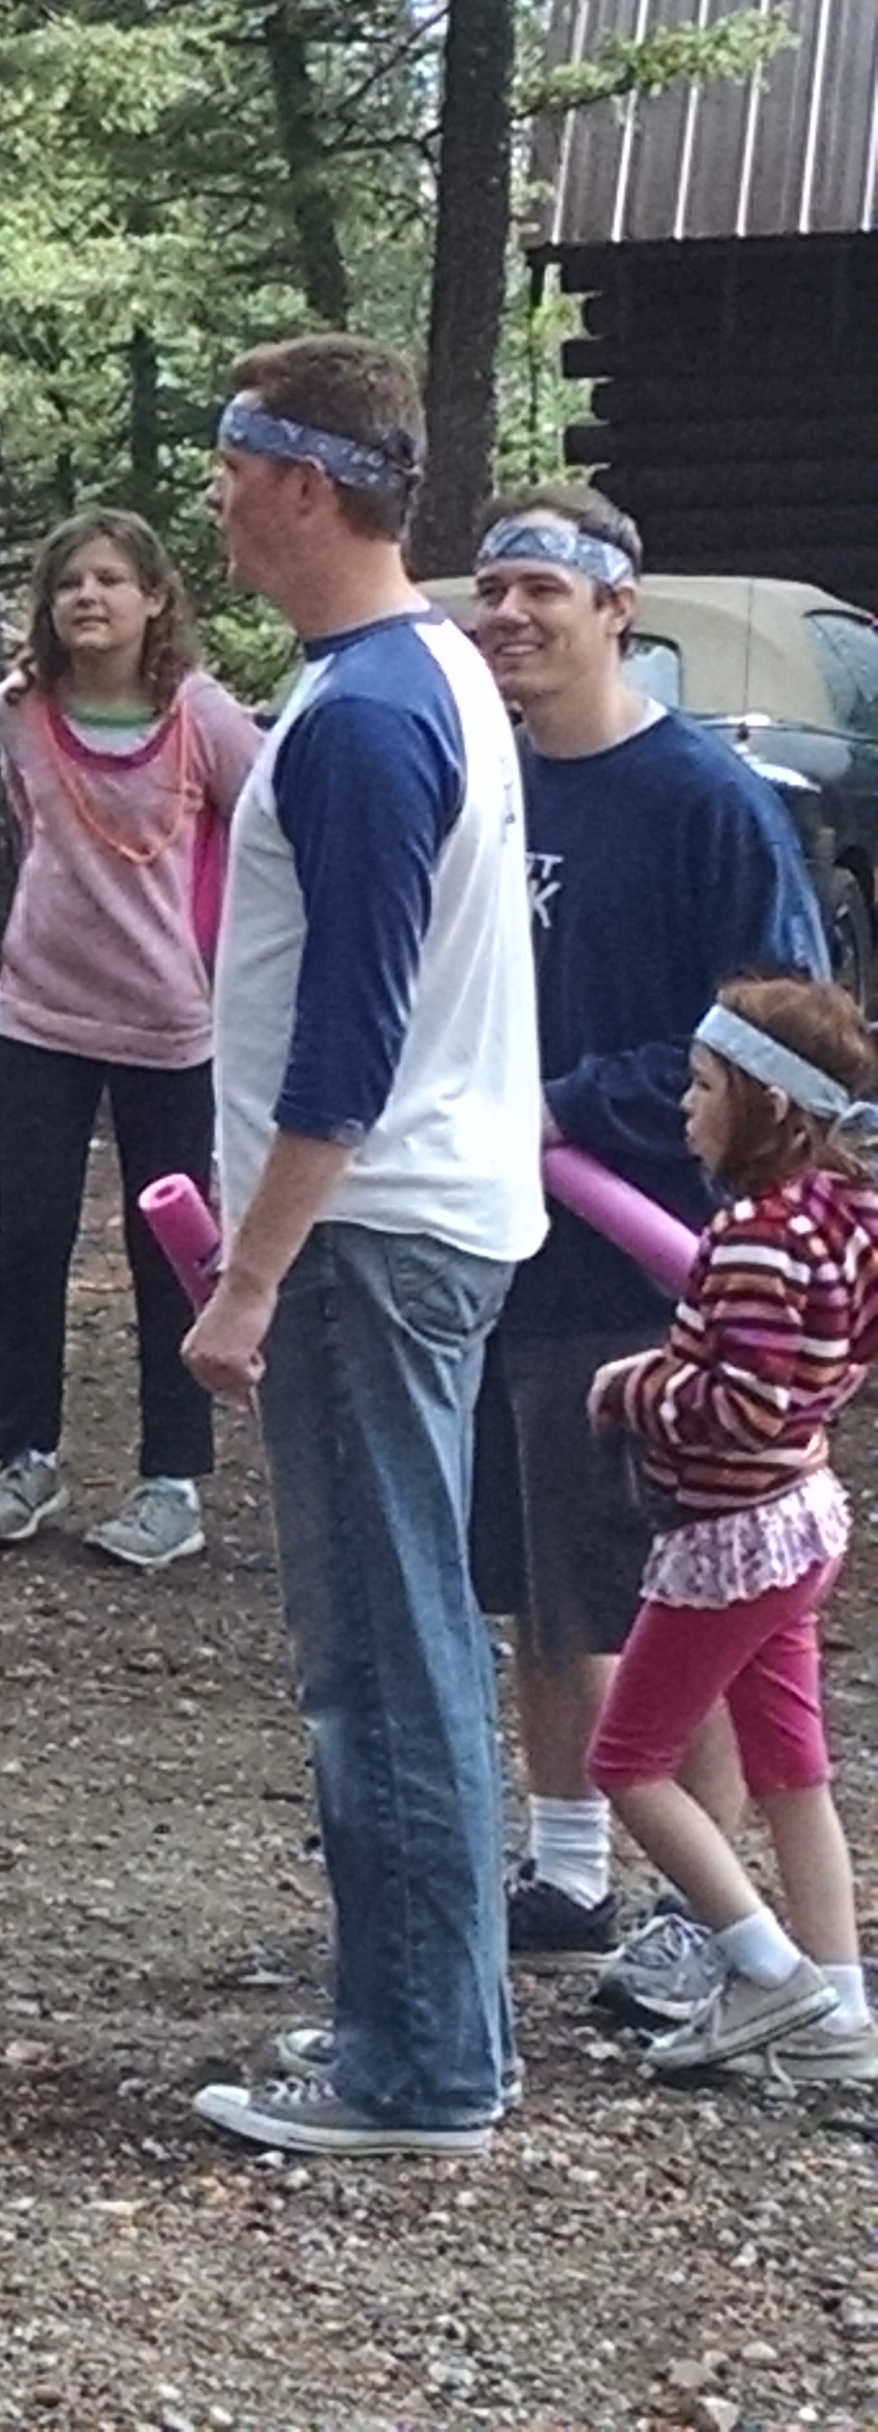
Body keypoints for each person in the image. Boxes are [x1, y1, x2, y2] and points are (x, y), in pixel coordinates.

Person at [176, 334, 544, 2160]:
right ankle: (435, 2018)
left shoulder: (373, 717)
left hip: (371, 1243)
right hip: (408, 1228)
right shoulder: (413, 678)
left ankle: (419, 2068)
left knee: (384, 1654)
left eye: (235, 469)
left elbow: (352, 1038)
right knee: (411, 1636)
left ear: (307, 487)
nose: (216, 500)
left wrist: (250, 1275)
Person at [458, 485, 815, 2006]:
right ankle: (570, 1871)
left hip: (650, 1263)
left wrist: (574, 1102)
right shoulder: (484, 782)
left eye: (544, 589)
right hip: (494, 1243)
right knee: (539, 1578)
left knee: (667, 1596)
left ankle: (700, 1911)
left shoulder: (704, 802)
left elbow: (781, 1035)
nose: (511, 616)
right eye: (493, 590)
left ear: (619, 607)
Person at [584, 976, 878, 2083]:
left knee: (627, 1761)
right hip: (800, 1519)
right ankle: (840, 2011)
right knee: (792, 1766)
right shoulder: (844, 1216)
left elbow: (742, 1404)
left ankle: (767, 1967)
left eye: (704, 1086)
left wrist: (635, 1388)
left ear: (768, 1105)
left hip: (733, 1537)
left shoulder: (757, 1234)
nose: (685, 1106)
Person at [0, 508, 263, 1569]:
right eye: (68, 583)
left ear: (154, 599)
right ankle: (25, 1457)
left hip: (170, 1024)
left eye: (109, 579)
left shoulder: (202, 716)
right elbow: (35, 829)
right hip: (38, 1013)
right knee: (29, 1236)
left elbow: (266, 827)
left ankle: (171, 1481)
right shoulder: (17, 710)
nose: (87, 597)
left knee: (168, 1254)